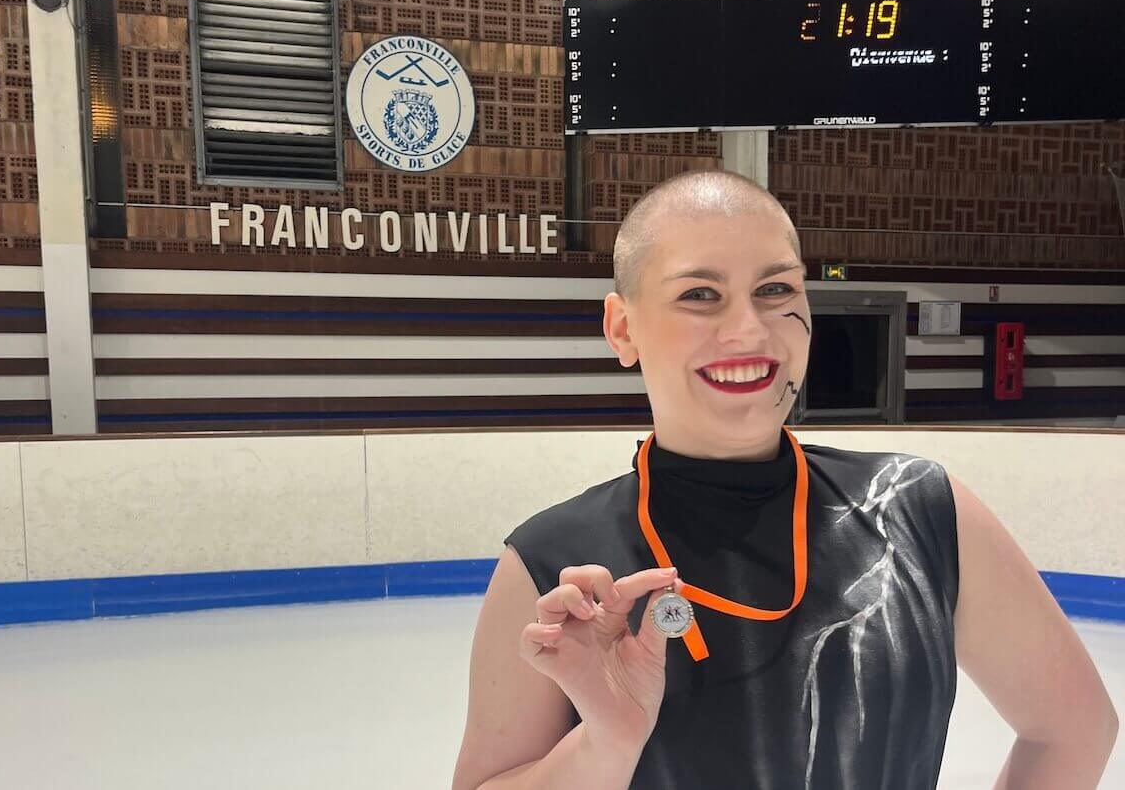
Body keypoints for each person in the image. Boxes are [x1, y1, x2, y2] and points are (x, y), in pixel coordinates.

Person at [452, 170, 1118, 789]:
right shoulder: (552, 564)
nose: (749, 329)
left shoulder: (920, 512)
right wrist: (602, 745)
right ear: (622, 327)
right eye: (700, 294)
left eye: (776, 290)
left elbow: (1074, 727)